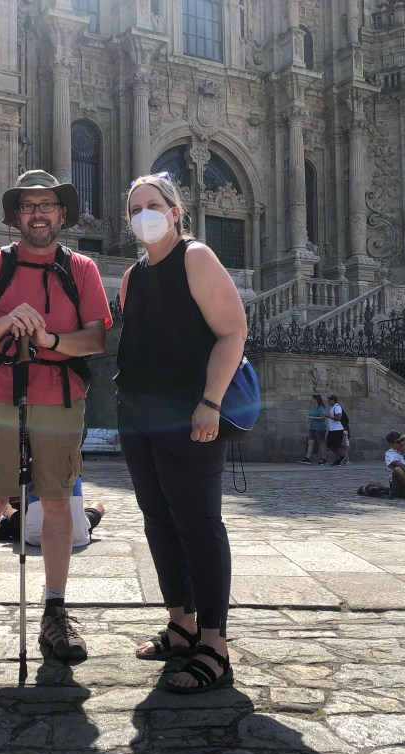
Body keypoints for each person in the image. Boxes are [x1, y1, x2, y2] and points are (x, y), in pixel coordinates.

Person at [0, 169, 110, 667]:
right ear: (16, 216)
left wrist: (48, 340)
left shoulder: (82, 269)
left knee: (58, 503)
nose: (38, 214)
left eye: (47, 205)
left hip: (60, 398)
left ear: (62, 214)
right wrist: (6, 321)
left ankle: (55, 612)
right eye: (28, 206)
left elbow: (96, 340)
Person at [117, 171, 244, 695]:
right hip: (138, 416)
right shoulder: (133, 275)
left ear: (174, 212)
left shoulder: (196, 258)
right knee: (159, 521)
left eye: (152, 205)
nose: (143, 215)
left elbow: (232, 331)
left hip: (190, 414)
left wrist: (210, 401)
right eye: (134, 209)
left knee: (199, 524)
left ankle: (214, 645)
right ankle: (181, 625)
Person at [0, 476, 105, 548]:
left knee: (12, 512)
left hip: (36, 535)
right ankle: (78, 512)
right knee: (97, 506)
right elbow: (99, 506)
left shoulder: (30, 463)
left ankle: (6, 512)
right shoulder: (73, 465)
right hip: (78, 534)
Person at [299, 394, 328, 465]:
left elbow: (324, 417)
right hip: (312, 428)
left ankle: (323, 459)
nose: (311, 400)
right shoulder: (313, 407)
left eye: (312, 399)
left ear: (316, 400)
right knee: (310, 442)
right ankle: (307, 458)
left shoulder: (320, 408)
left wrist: (312, 418)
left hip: (320, 428)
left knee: (321, 443)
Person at [325, 394, 349, 466]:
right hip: (332, 430)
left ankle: (339, 459)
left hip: (337, 429)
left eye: (329, 400)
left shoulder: (337, 407)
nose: (328, 401)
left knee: (336, 446)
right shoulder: (332, 408)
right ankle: (342, 457)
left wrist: (328, 416)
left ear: (333, 400)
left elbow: (338, 418)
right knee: (331, 446)